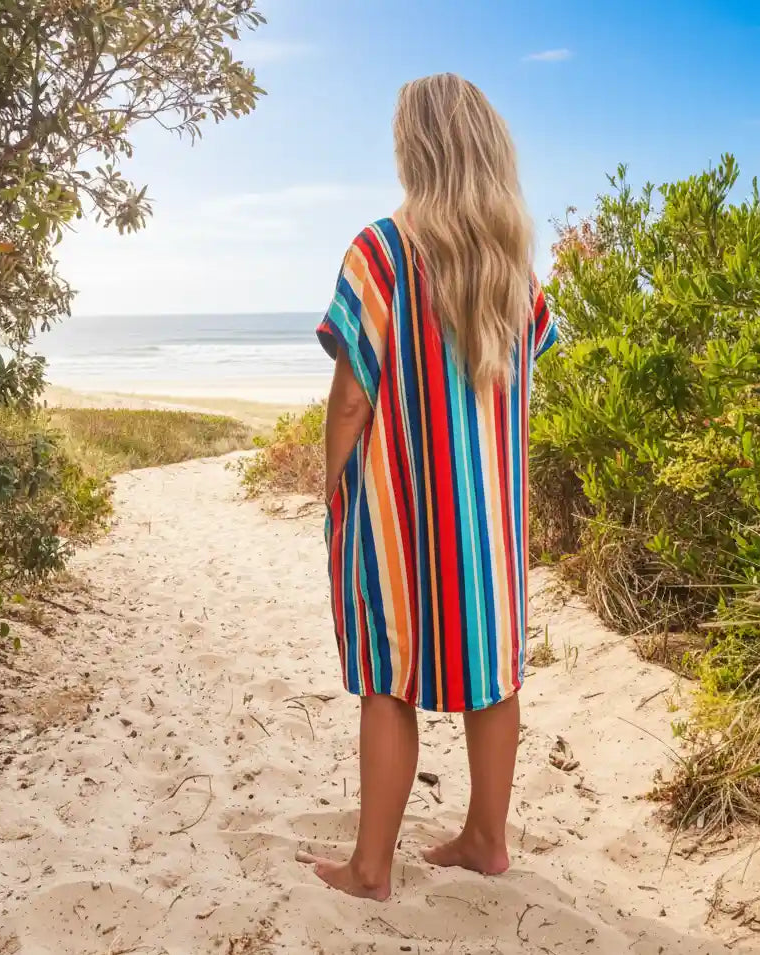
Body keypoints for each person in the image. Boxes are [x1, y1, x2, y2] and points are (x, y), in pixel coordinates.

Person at [299, 73, 558, 901]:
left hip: (397, 511)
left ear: (416, 147)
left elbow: (350, 395)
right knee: (494, 675)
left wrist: (333, 485)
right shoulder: (512, 261)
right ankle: (487, 836)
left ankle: (370, 867)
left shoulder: (381, 249)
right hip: (490, 522)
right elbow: (520, 374)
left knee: (388, 679)